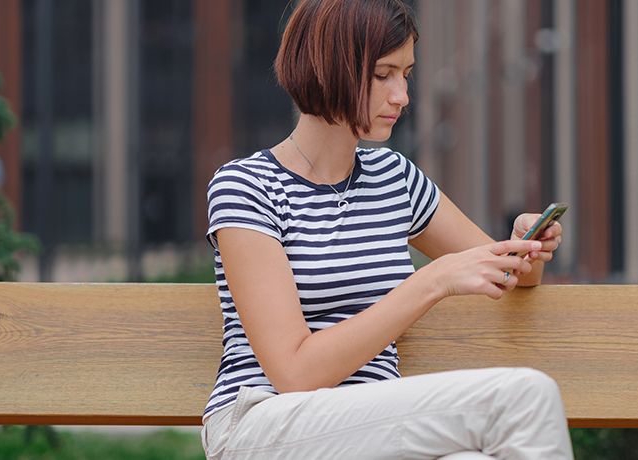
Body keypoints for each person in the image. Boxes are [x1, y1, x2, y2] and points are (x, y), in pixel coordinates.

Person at [199, 1, 571, 458]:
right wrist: (432, 281)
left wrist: (526, 247)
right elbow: (294, 374)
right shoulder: (246, 187)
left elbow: (511, 276)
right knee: (523, 397)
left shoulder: (394, 177)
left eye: (406, 74)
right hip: (266, 422)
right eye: (383, 75)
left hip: (370, 428)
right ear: (326, 69)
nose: (402, 96)